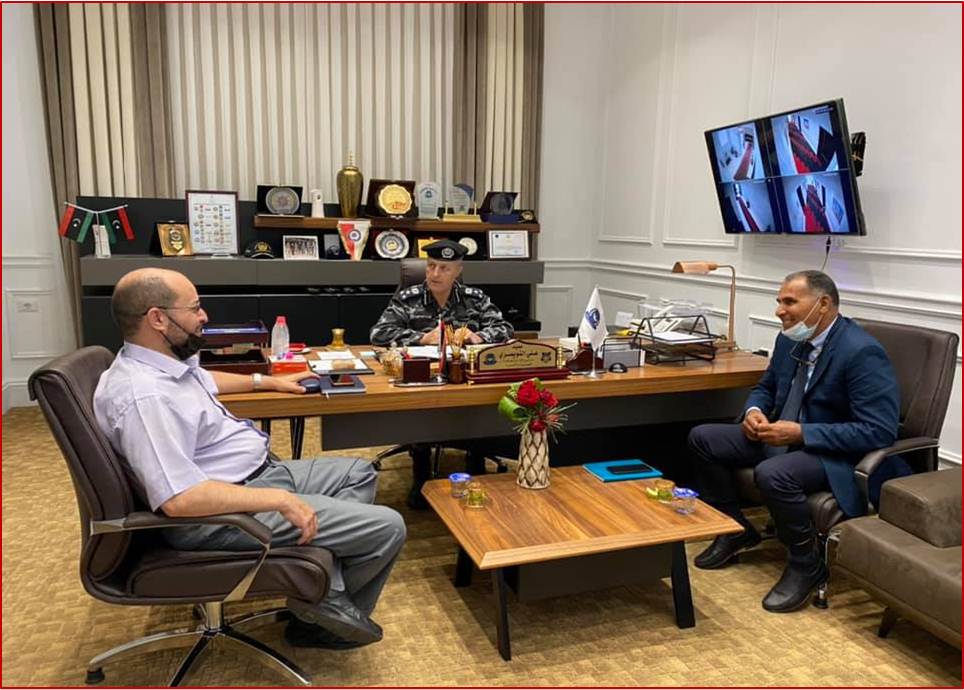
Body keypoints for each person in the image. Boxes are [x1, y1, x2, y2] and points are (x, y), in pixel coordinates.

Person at [93, 268, 406, 650]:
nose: (204, 316)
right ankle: (321, 620)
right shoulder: (146, 397)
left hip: (254, 474)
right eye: (194, 308)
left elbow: (205, 381)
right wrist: (280, 500)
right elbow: (180, 499)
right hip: (215, 516)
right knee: (388, 527)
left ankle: (321, 591)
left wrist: (267, 381)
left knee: (358, 473)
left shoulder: (160, 362)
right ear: (158, 318)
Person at [688, 270, 903, 613]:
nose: (779, 311)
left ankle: (806, 563)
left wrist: (802, 433)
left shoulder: (861, 351)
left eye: (790, 302)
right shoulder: (790, 339)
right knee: (703, 438)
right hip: (782, 434)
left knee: (774, 473)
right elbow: (766, 387)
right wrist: (754, 411)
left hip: (833, 452)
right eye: (779, 301)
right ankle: (735, 529)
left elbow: (878, 431)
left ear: (823, 304)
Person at [369, 239, 515, 508]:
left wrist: (478, 336)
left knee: (479, 405)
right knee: (422, 409)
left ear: (458, 271)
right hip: (423, 378)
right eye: (431, 266)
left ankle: (476, 464)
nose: (435, 273)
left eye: (444, 268)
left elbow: (505, 328)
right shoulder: (408, 298)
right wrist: (421, 338)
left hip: (464, 378)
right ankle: (421, 474)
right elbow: (379, 333)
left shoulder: (475, 298)